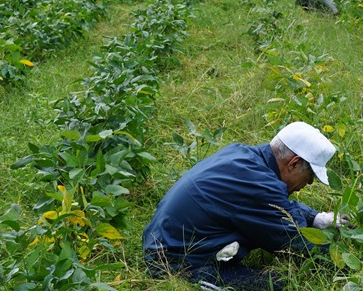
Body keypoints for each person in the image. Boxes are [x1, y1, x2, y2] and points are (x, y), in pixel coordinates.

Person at [143, 122, 346, 291]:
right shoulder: (261, 186)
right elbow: (293, 241)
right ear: (293, 163)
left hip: (162, 240)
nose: (308, 184)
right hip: (176, 263)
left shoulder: (243, 156)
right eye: (310, 176)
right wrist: (345, 257)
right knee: (279, 283)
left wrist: (315, 217)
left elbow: (274, 206)